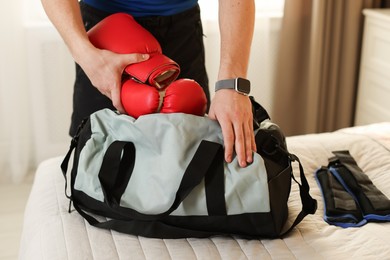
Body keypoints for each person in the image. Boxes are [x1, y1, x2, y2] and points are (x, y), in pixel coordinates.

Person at [41, 0, 256, 167]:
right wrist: (85, 54)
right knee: (95, 161)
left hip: (181, 28)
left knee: (191, 160)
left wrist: (232, 84)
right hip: (106, 36)